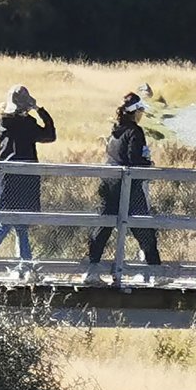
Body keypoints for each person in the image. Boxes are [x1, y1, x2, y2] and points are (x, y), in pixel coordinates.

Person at [84, 92, 161, 272]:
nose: (142, 115)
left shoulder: (115, 130)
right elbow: (133, 158)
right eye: (141, 111)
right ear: (135, 112)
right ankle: (155, 269)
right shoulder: (135, 131)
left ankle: (91, 268)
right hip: (128, 186)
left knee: (103, 227)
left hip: (109, 184)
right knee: (143, 226)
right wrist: (148, 164)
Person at [0, 85, 56, 266]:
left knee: (14, 222)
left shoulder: (1, 123)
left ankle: (24, 263)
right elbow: (50, 135)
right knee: (14, 222)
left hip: (5, 177)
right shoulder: (27, 124)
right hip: (25, 178)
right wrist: (40, 110)